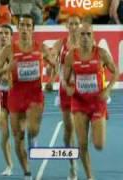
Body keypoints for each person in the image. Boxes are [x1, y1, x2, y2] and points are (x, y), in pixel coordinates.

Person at [0, 14, 54, 180]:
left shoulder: (41, 48)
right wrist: (6, 69)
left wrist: (51, 81)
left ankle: (34, 136)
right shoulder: (9, 50)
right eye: (22, 25)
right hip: (16, 96)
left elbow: (55, 65)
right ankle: (26, 172)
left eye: (28, 25)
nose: (25, 28)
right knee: (18, 136)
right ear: (18, 28)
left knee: (32, 130)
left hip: (35, 96)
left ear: (32, 29)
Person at [62, 23, 118, 180]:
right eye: (82, 34)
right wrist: (67, 87)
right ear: (77, 37)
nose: (85, 37)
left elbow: (115, 72)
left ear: (93, 36)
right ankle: (89, 177)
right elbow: (65, 79)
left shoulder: (101, 54)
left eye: (88, 34)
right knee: (82, 144)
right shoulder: (71, 56)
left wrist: (108, 90)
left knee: (99, 145)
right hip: (79, 102)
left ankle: (97, 125)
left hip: (97, 102)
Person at [51, 15, 81, 180]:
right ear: (67, 26)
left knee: (80, 130)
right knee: (69, 131)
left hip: (83, 92)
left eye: (77, 23)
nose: (74, 27)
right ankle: (72, 166)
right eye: (72, 24)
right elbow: (52, 60)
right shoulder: (61, 44)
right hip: (65, 91)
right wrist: (51, 75)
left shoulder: (88, 44)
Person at [0, 24, 13, 176]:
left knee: (19, 132)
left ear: (11, 36)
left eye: (6, 33)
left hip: (15, 96)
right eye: (0, 33)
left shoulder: (16, 53)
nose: (3, 35)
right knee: (4, 133)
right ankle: (9, 165)